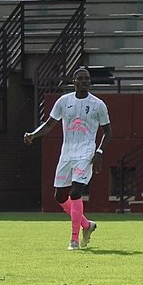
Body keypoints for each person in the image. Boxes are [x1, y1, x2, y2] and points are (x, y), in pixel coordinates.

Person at [23, 67, 111, 249]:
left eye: (87, 79)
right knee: (60, 196)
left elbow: (108, 132)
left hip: (86, 152)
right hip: (67, 152)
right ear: (74, 81)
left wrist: (99, 152)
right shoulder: (64, 101)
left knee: (76, 192)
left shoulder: (98, 105)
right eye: (80, 79)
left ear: (90, 82)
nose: (84, 81)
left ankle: (74, 239)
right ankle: (87, 225)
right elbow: (49, 125)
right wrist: (33, 134)